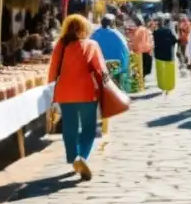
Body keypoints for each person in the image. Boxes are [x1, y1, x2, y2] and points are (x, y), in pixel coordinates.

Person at [48, 14, 107, 181]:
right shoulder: (92, 45)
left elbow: (53, 69)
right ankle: (82, 156)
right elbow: (100, 70)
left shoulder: (61, 44)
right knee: (88, 127)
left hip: (65, 91)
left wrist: (51, 89)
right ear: (85, 28)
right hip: (87, 91)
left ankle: (72, 157)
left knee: (70, 126)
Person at [91, 14, 131, 92]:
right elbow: (125, 50)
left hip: (100, 67)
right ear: (112, 23)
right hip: (116, 68)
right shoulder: (117, 34)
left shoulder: (95, 34)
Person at [153, 14, 178, 95]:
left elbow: (154, 42)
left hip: (159, 55)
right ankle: (169, 87)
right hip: (168, 54)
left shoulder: (155, 32)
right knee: (168, 71)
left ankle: (162, 86)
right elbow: (174, 40)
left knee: (160, 71)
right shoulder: (168, 31)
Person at [130, 16, 153, 80]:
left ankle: (141, 80)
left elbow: (135, 41)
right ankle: (141, 81)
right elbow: (147, 41)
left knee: (140, 69)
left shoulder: (138, 30)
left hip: (139, 51)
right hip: (144, 51)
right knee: (144, 69)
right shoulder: (143, 30)